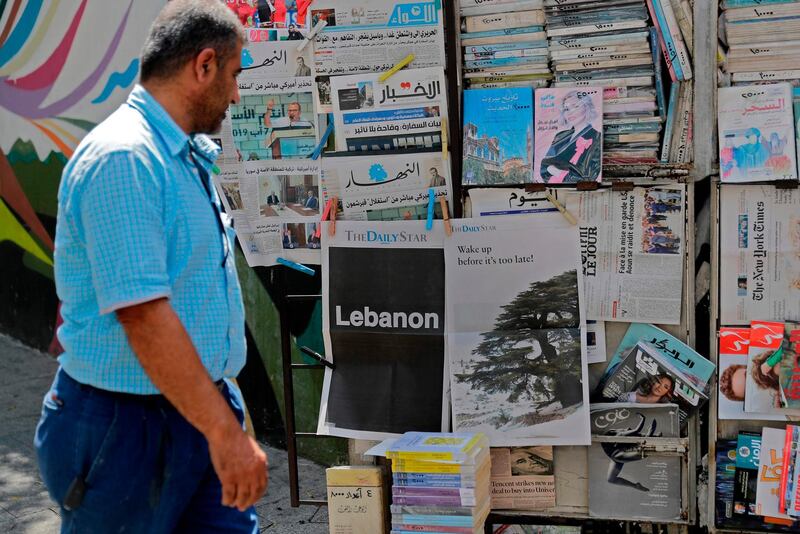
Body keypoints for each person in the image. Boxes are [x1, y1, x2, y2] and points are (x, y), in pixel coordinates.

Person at [34, 2, 268, 532]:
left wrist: (224, 414)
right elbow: (142, 315)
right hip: (125, 428)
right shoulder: (125, 159)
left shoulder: (177, 153)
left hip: (194, 413)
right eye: (233, 75)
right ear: (203, 65)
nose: (235, 95)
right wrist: (226, 434)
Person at [539, 90, 602, 183]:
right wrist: (561, 173)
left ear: (587, 108)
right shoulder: (560, 136)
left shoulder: (597, 138)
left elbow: (587, 178)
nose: (570, 113)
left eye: (576, 106)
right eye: (566, 109)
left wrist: (555, 171)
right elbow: (544, 166)